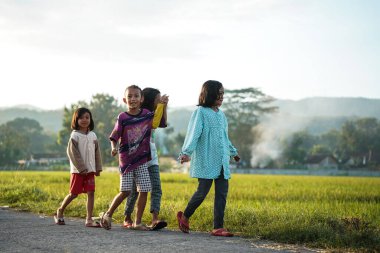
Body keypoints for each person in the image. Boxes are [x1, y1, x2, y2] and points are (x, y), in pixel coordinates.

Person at [177, 80, 240, 237]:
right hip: (206, 159)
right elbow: (194, 133)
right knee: (202, 192)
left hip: (221, 161)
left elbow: (225, 137)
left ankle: (218, 227)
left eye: (223, 94)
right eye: (219, 94)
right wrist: (186, 152)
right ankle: (184, 216)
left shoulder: (221, 115)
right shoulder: (201, 113)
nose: (221, 97)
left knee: (222, 194)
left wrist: (233, 152)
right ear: (209, 94)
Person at [100, 85, 165, 230]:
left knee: (144, 190)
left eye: (136, 96)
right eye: (129, 96)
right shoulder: (122, 117)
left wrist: (161, 105)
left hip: (142, 159)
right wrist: (113, 147)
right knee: (126, 191)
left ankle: (137, 222)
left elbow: (156, 123)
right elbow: (114, 135)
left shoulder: (147, 114)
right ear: (124, 100)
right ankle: (108, 214)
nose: (133, 99)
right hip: (127, 161)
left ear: (142, 99)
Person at [123, 87, 169, 231]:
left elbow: (162, 122)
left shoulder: (154, 113)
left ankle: (155, 218)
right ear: (150, 100)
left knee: (156, 188)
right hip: (138, 157)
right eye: (157, 99)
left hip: (152, 157)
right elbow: (154, 123)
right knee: (134, 191)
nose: (160, 101)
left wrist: (164, 106)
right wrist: (161, 105)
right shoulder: (141, 115)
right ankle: (127, 217)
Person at [54, 107, 102, 227]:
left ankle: (89, 219)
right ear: (76, 120)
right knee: (73, 194)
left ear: (90, 119)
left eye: (87, 117)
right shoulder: (74, 136)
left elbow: (97, 152)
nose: (84, 120)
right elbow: (73, 153)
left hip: (90, 170)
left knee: (91, 193)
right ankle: (60, 211)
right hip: (78, 171)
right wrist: (82, 168)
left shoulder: (93, 135)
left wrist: (98, 167)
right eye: (81, 118)